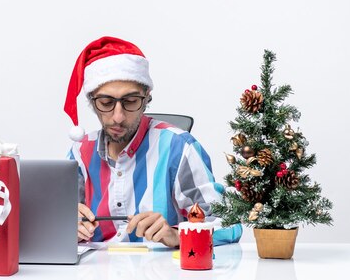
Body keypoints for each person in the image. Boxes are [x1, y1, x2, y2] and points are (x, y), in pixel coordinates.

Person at [65, 36, 242, 246]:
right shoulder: (80, 151)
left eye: (131, 101)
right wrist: (66, 227)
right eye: (106, 102)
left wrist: (177, 235)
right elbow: (52, 224)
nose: (118, 116)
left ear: (146, 97)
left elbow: (230, 224)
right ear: (92, 101)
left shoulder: (179, 147)